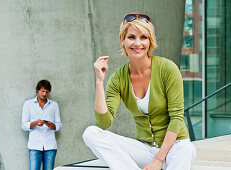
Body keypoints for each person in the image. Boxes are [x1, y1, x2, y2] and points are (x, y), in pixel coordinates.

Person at [82, 14, 196, 170]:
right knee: (91, 133)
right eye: (131, 37)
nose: (138, 43)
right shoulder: (118, 78)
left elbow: (176, 118)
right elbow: (104, 123)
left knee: (187, 149)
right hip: (145, 149)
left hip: (174, 147)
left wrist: (159, 160)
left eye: (143, 37)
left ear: (150, 41)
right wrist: (99, 81)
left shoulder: (167, 69)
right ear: (122, 40)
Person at [21, 80, 62, 170]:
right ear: (37, 90)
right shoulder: (28, 104)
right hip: (34, 145)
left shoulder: (54, 105)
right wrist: (35, 123)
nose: (44, 94)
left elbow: (59, 125)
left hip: (50, 146)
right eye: (42, 91)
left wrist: (52, 126)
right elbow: (24, 125)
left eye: (47, 92)